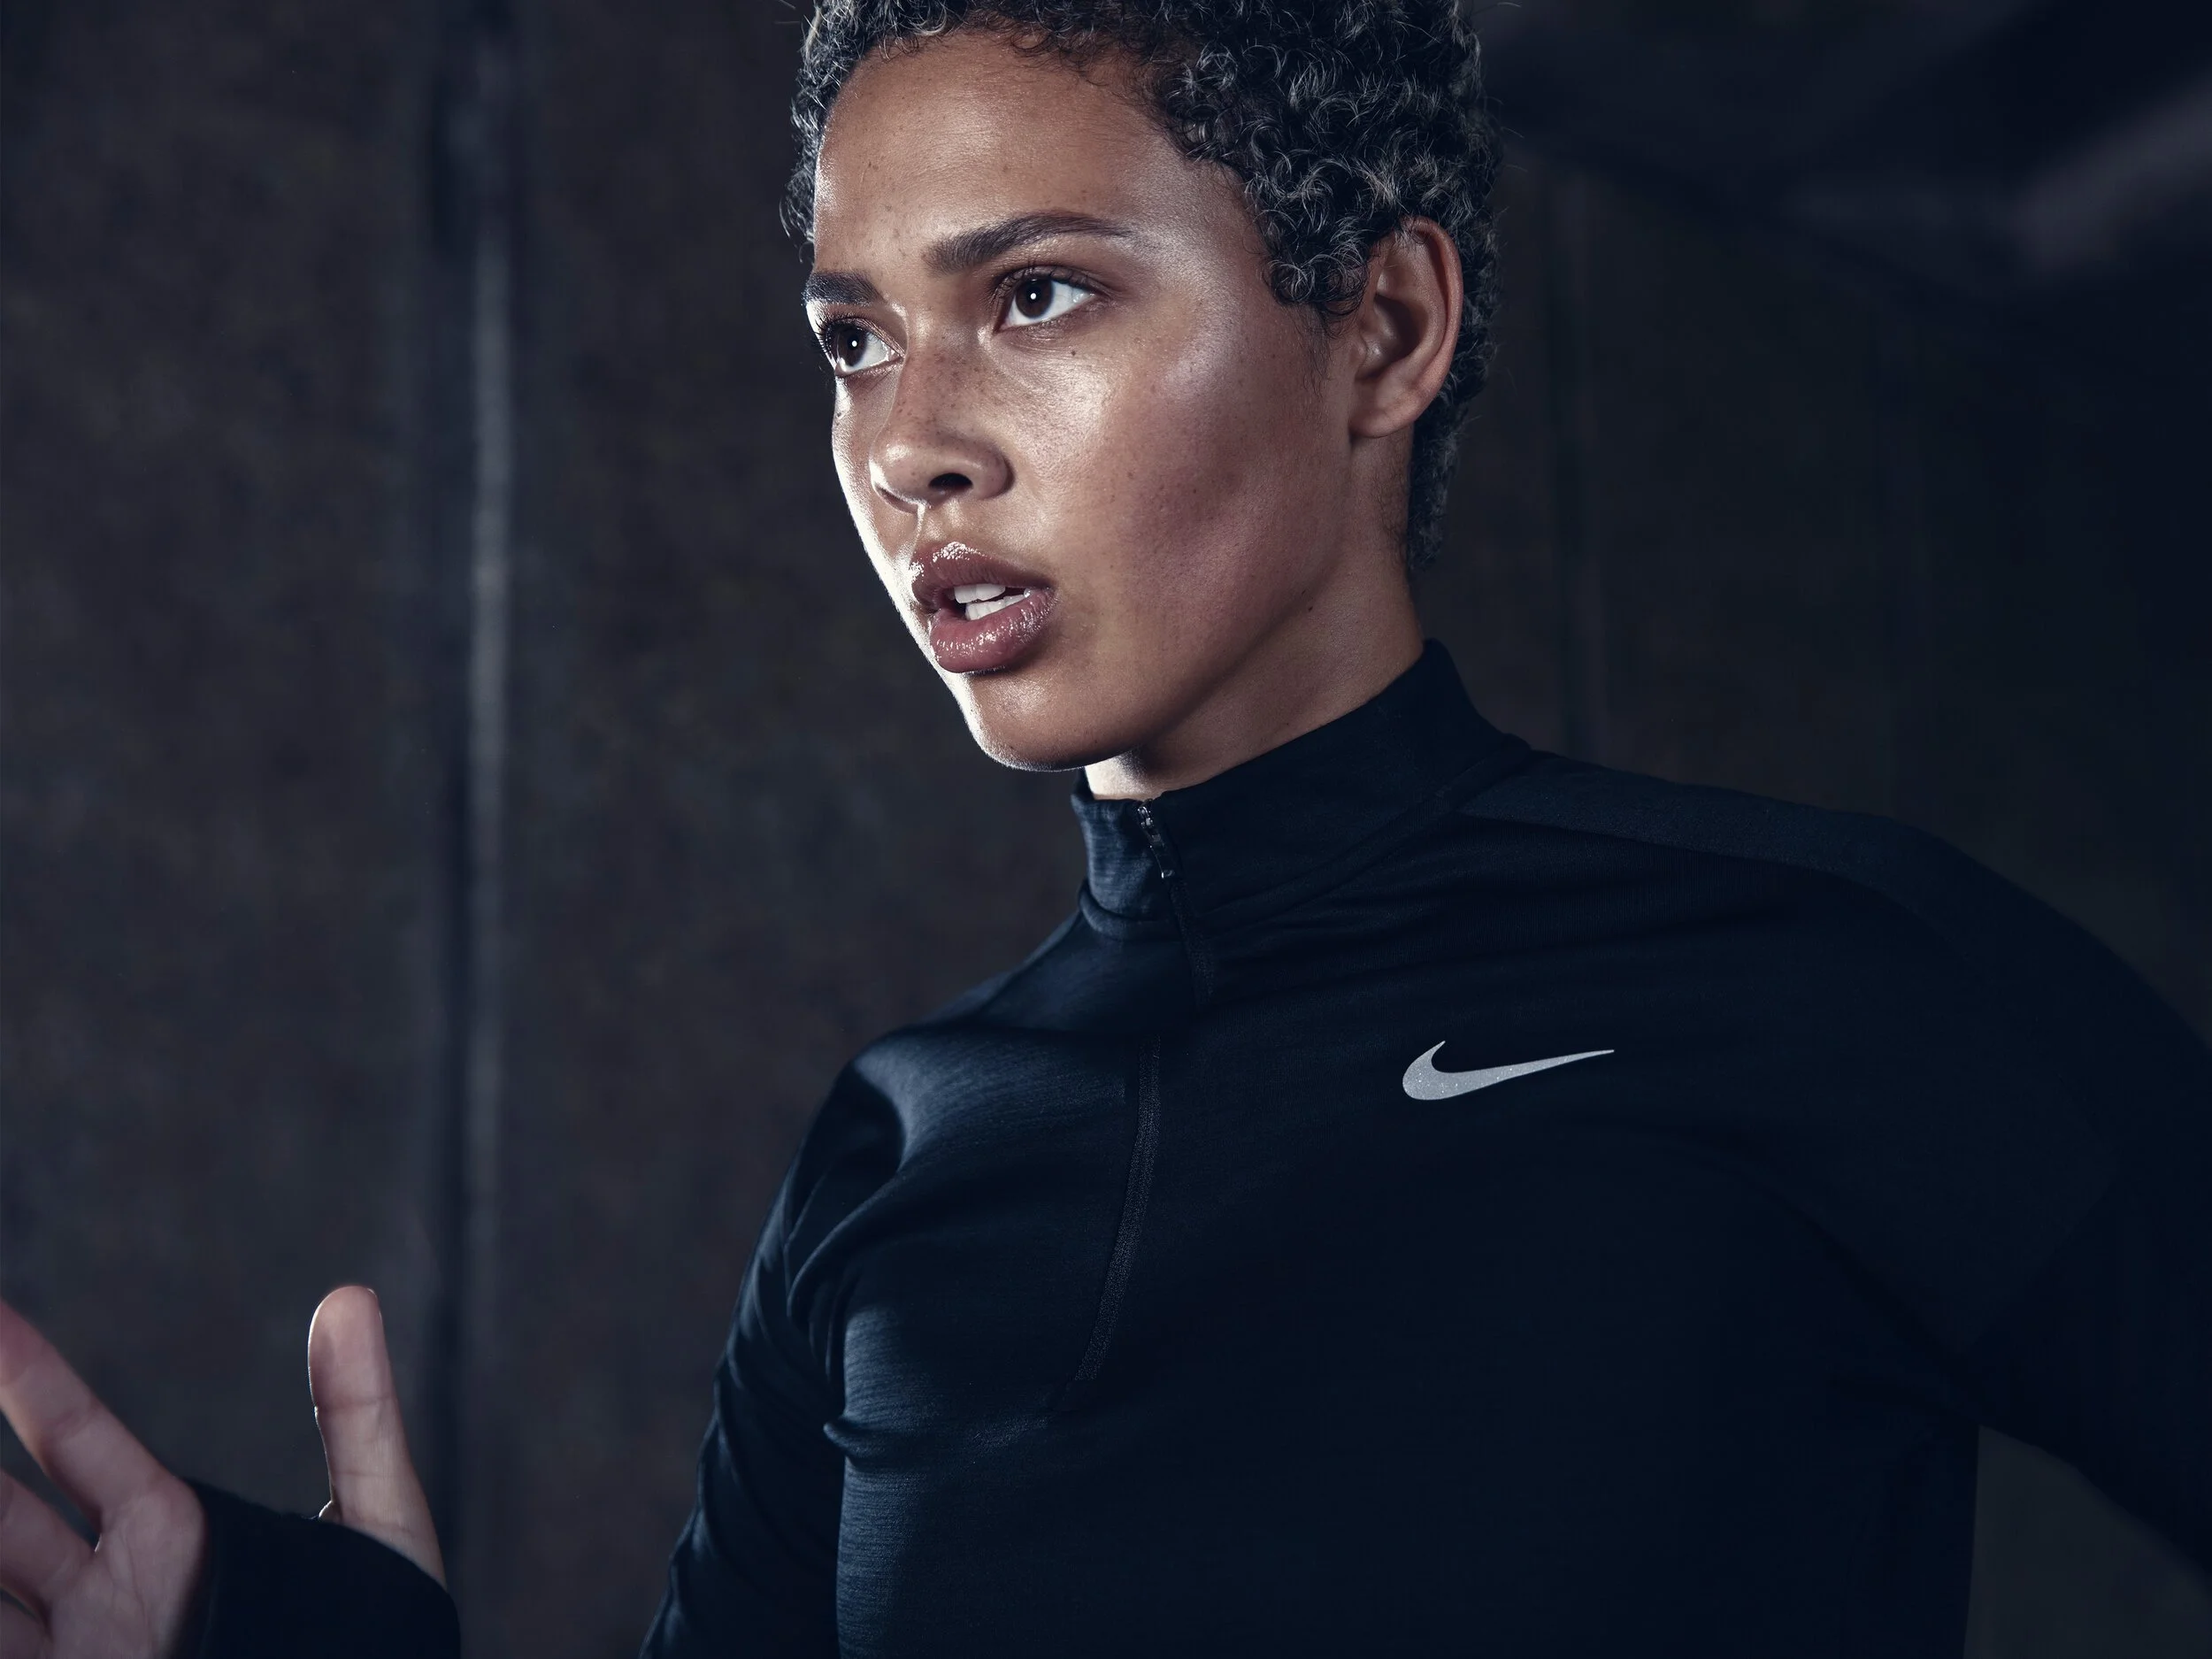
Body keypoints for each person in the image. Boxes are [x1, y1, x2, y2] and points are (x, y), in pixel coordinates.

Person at [4, 0, 2209, 1653]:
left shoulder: (1833, 979)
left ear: (1384, 328)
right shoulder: (898, 1144)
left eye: (1033, 293)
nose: (910, 445)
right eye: (852, 337)